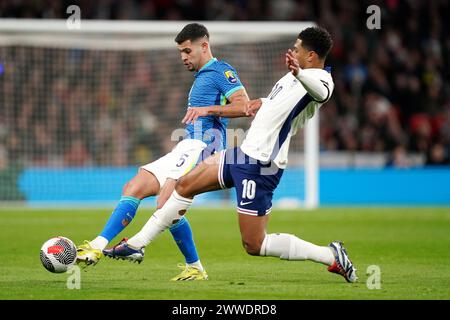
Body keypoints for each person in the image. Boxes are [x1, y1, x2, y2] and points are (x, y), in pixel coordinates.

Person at [104, 26, 358, 283]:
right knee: (185, 184)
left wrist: (300, 72)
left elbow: (321, 93)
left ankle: (329, 255)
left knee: (254, 244)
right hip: (242, 153)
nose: (292, 51)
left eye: (297, 48)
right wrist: (241, 105)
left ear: (311, 56)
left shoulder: (321, 80)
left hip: (261, 165)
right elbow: (270, 104)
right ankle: (137, 244)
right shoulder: (289, 79)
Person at [76, 23, 250, 281]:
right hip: (187, 145)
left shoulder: (221, 71)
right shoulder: (201, 77)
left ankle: (139, 248)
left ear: (204, 45)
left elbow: (245, 105)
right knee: (135, 186)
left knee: (166, 201)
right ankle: (100, 244)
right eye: (181, 52)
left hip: (206, 146)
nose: (183, 57)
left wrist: (208, 110)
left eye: (187, 51)